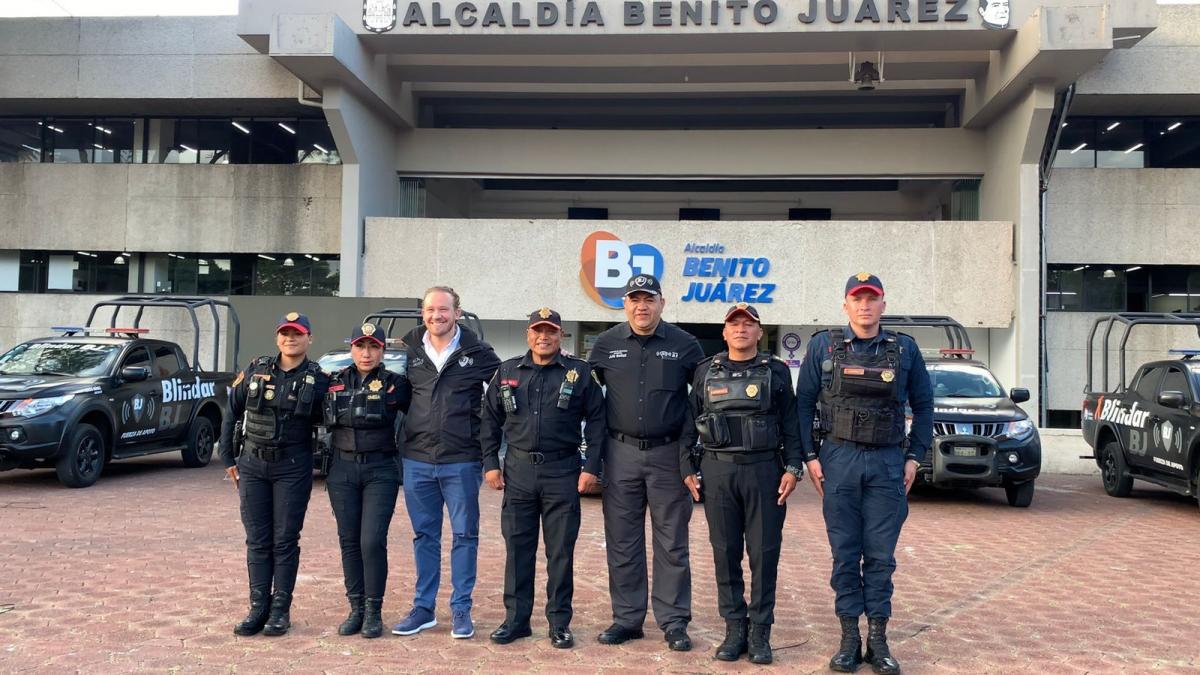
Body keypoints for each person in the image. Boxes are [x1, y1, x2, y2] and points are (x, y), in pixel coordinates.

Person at [795, 274, 933, 675]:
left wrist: (914, 457)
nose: (865, 306)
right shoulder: (824, 345)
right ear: (846, 305)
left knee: (879, 555)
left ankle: (878, 639)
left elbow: (924, 407)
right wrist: (810, 456)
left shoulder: (904, 349)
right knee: (844, 553)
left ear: (883, 306)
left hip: (887, 462)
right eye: (858, 299)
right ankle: (848, 639)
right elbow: (804, 404)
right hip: (838, 458)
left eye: (872, 299)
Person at [587, 273, 704, 652]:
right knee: (623, 541)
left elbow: (701, 401)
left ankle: (673, 621)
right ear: (625, 304)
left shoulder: (685, 345)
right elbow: (589, 403)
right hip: (619, 454)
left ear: (662, 303)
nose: (642, 306)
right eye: (634, 299)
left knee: (672, 542)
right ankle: (627, 619)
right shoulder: (605, 345)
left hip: (669, 455)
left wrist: (690, 456)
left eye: (649, 299)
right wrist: (592, 460)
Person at [481, 308, 607, 649]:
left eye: (551, 331)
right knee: (518, 550)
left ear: (560, 335)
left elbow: (597, 422)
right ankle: (516, 620)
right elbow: (489, 420)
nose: (544, 337)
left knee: (560, 552)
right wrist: (490, 463)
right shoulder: (506, 371)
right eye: (538, 330)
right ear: (528, 335)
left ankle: (559, 623)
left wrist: (591, 468)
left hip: (563, 472)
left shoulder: (579, 374)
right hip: (518, 472)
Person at [687, 303, 804, 665]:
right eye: (734, 324)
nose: (740, 329)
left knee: (764, 555)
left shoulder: (777, 371)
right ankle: (734, 628)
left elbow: (791, 424)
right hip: (718, 471)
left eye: (748, 324)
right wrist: (686, 468)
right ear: (724, 332)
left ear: (759, 332)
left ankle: (760, 633)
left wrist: (794, 467)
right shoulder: (706, 372)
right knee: (725, 553)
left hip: (764, 471)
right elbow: (688, 424)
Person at [392, 286, 500, 640]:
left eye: (443, 309)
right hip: (417, 459)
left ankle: (460, 609)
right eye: (429, 310)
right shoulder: (406, 351)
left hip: (462, 461)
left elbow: (506, 393)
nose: (436, 316)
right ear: (422, 313)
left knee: (465, 536)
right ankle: (424, 609)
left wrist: (491, 454)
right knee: (425, 535)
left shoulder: (479, 353)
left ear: (457, 312)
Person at [221, 312, 330, 637]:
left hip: (292, 467)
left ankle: (280, 611)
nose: (290, 338)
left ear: (309, 338)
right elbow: (232, 411)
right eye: (284, 332)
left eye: (297, 333)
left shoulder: (319, 379)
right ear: (277, 337)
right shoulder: (256, 370)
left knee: (284, 540)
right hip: (253, 464)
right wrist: (227, 456)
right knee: (257, 539)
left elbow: (334, 425)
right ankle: (258, 607)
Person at [323, 321, 411, 638]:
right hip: (341, 470)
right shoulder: (331, 382)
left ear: (382, 350)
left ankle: (374, 610)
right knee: (349, 541)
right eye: (361, 346)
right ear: (352, 348)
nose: (366, 352)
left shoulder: (396, 384)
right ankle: (356, 609)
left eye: (373, 346)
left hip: (380, 470)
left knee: (371, 541)